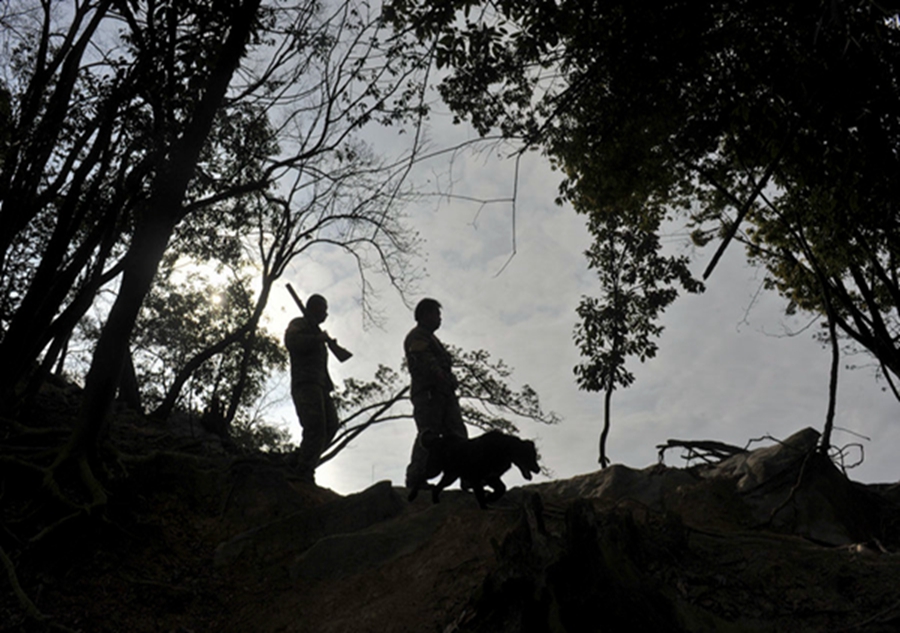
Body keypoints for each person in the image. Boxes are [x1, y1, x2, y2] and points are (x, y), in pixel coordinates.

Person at [404, 298, 468, 491]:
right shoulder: (418, 337)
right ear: (425, 315)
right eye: (436, 314)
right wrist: (442, 377)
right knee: (428, 434)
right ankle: (416, 478)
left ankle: (468, 475)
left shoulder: (431, 339)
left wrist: (449, 381)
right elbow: (424, 361)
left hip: (443, 393)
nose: (439, 319)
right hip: (429, 394)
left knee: (457, 433)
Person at [284, 294, 340, 483]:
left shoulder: (314, 331)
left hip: (321, 386)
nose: (326, 314)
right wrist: (317, 339)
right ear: (314, 308)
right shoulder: (299, 324)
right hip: (306, 383)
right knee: (315, 427)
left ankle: (300, 458)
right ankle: (304, 470)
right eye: (323, 309)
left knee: (331, 426)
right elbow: (292, 342)